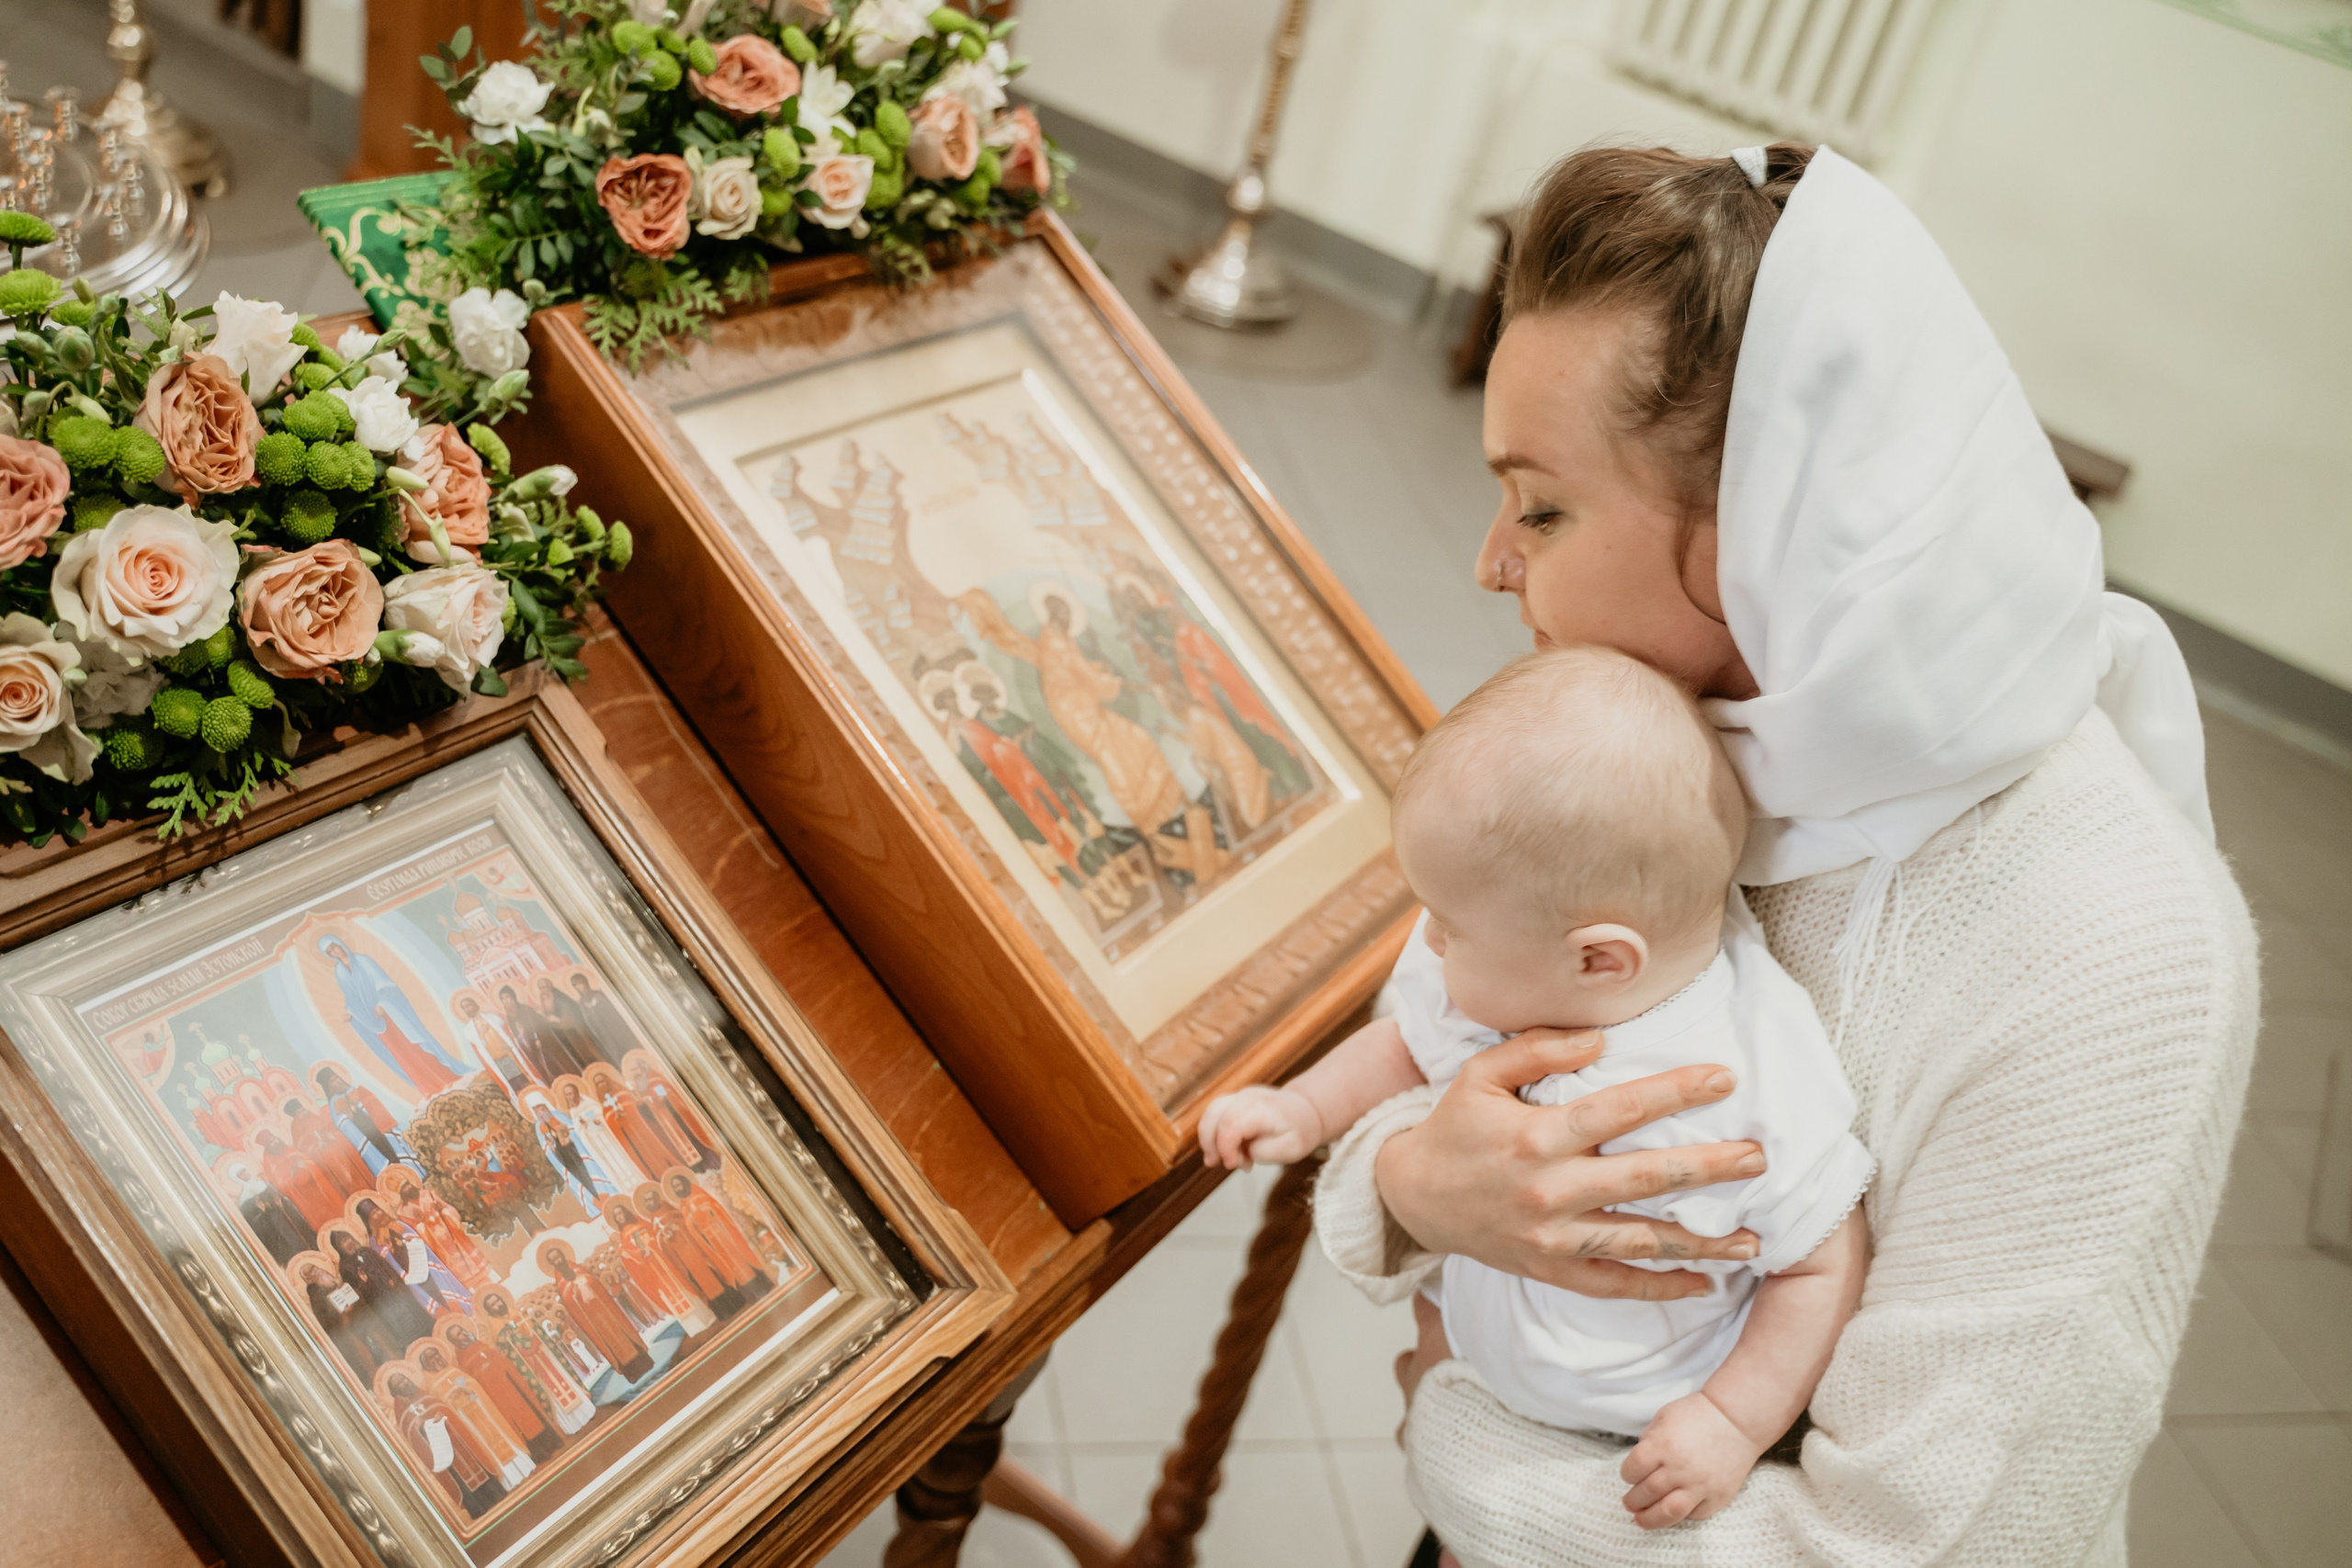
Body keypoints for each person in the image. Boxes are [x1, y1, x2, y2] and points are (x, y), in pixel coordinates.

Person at [1308, 143, 2255, 1564]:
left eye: (1543, 505)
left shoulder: (2117, 951)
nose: (1493, 562)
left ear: (1767, 521)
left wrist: (1460, 1437)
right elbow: (1433, 1049)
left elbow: (1900, 1542)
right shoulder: (1674, 733)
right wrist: (1403, 1185)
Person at [1205, 649, 1871, 1527]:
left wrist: (1730, 1419)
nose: (1428, 944)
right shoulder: (1519, 961)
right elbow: (1405, 1044)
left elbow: (1824, 1259)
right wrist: (1301, 1107)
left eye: (1449, 925)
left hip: (1629, 1422)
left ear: (1599, 957)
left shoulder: (1748, 1080)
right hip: (1473, 1349)